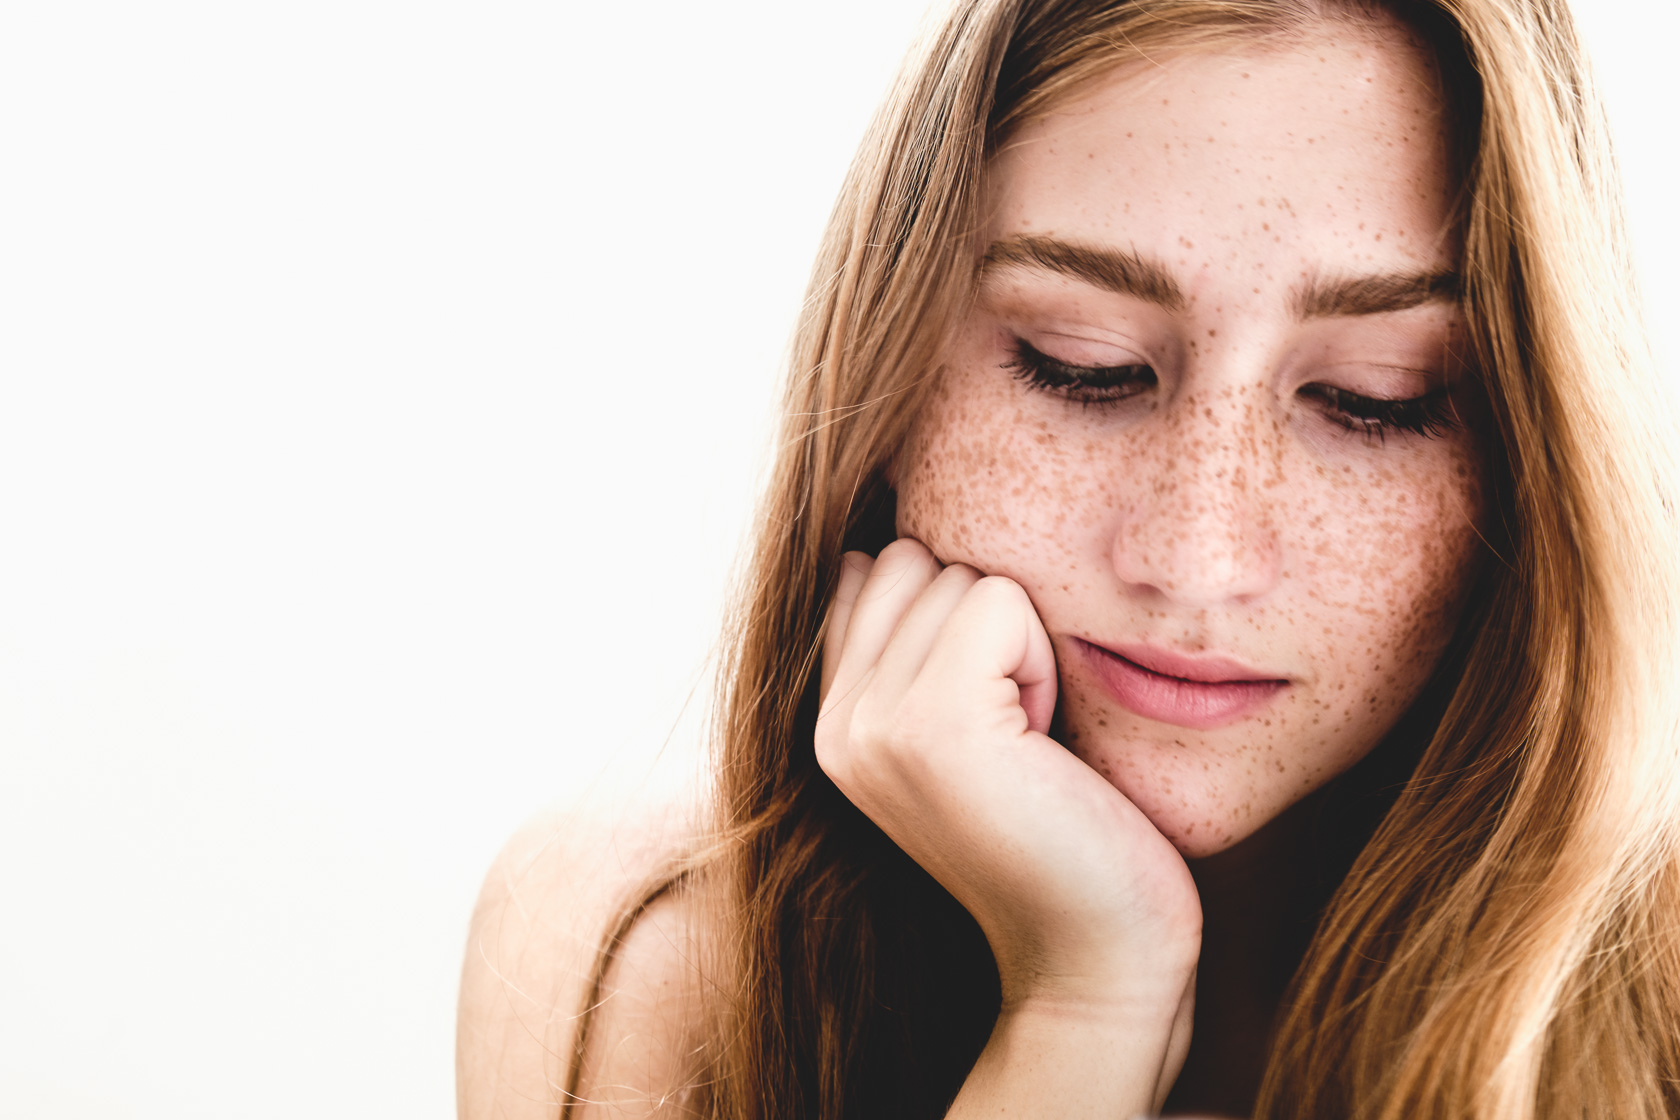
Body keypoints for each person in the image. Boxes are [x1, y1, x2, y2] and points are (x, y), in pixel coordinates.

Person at [457, 0, 1680, 1116]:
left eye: (1378, 398)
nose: (1197, 555)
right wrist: (1085, 1003)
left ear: (1534, 456)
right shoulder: (643, 954)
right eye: (1082, 366)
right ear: (888, 379)